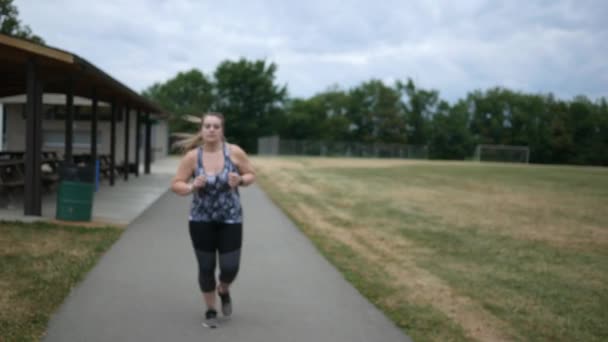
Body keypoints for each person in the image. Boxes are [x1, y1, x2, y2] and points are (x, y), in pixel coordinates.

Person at [171, 112, 256, 328]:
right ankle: (210, 309)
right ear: (201, 130)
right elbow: (177, 184)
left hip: (231, 218)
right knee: (206, 266)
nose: (211, 129)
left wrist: (240, 180)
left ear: (222, 130)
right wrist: (192, 186)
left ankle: (224, 289)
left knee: (230, 267)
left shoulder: (234, 152)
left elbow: (251, 174)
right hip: (201, 219)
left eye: (216, 126)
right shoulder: (192, 157)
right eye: (207, 126)